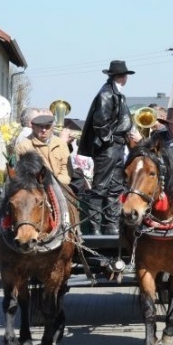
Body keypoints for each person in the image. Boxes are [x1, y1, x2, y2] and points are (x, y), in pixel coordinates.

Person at [77, 59, 135, 235]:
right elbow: (100, 122)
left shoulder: (115, 93)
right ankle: (94, 229)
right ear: (122, 77)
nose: (125, 79)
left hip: (116, 146)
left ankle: (112, 227)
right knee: (100, 188)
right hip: (109, 148)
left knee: (115, 188)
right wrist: (110, 141)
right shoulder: (107, 93)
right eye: (124, 76)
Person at [14, 112, 71, 186]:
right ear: (33, 127)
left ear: (52, 127)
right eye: (40, 127)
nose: (44, 130)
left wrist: (59, 182)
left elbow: (67, 168)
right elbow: (21, 173)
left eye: (47, 126)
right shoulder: (23, 146)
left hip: (60, 184)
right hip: (35, 186)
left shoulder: (61, 143)